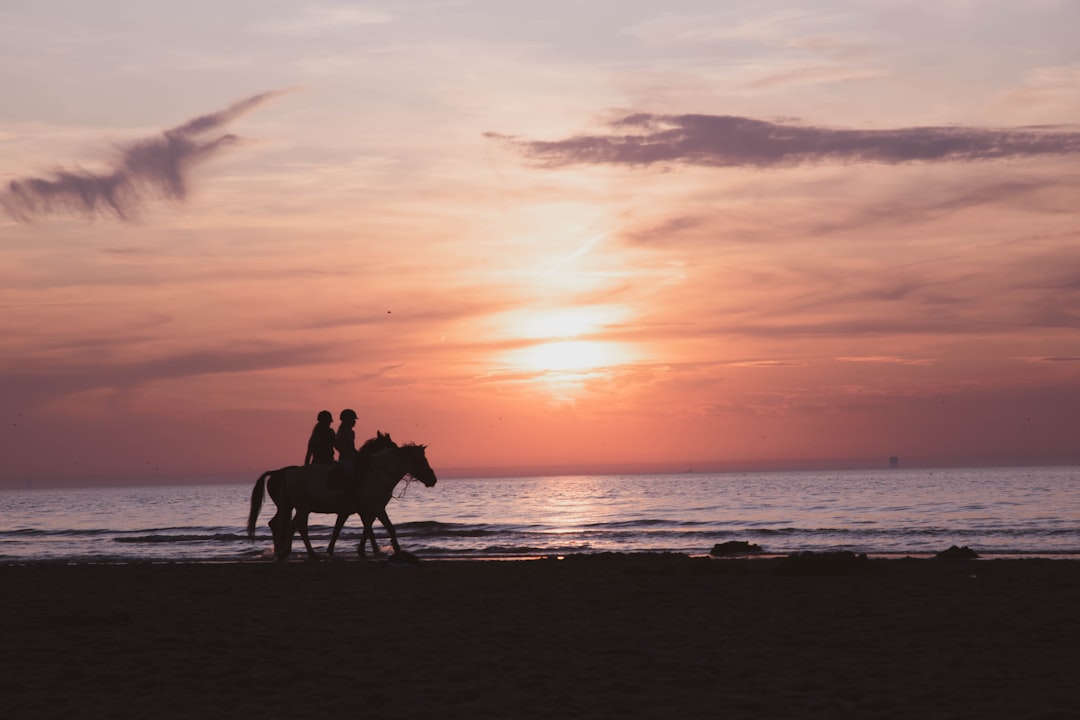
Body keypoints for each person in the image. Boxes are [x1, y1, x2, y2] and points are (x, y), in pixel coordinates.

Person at [336, 408, 359, 475]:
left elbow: (352, 448)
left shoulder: (351, 432)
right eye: (353, 419)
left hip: (352, 459)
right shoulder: (342, 432)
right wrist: (352, 455)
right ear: (347, 420)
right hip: (345, 461)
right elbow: (341, 448)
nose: (354, 421)